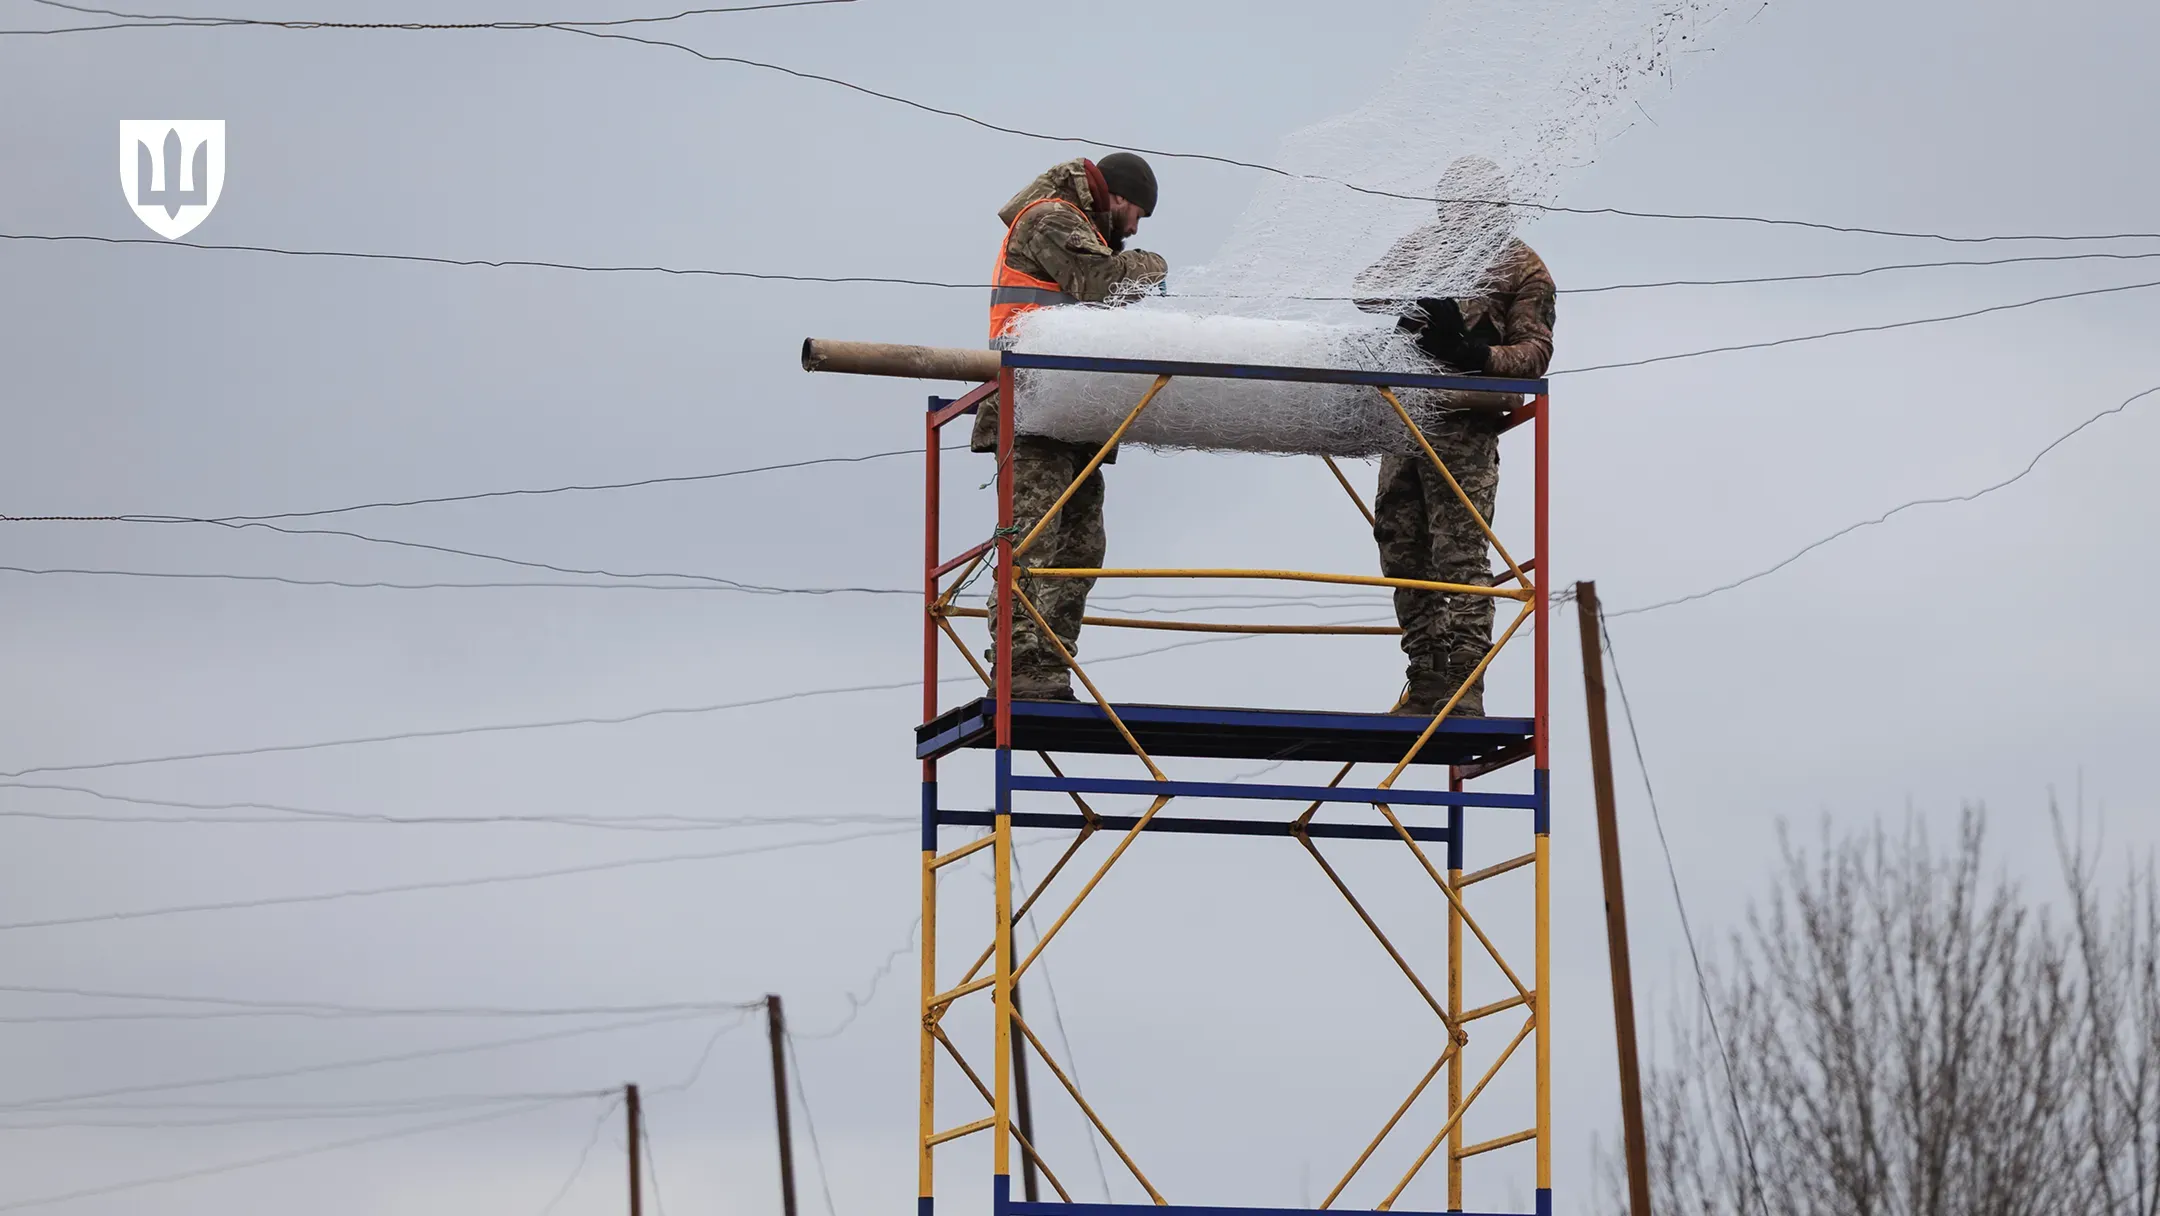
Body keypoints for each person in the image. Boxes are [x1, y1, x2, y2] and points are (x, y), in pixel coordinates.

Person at [1356, 156, 1555, 717]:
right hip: (1407, 422)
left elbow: (1535, 354)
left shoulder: (1523, 268)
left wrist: (1474, 353)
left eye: (1470, 208)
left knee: (1459, 553)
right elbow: (1366, 290)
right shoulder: (1428, 249)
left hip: (1464, 425)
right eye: (1453, 208)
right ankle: (1426, 677)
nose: (1459, 218)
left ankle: (1465, 686)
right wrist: (1415, 298)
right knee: (1401, 548)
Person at [972, 153, 1167, 700]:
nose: (1135, 229)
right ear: (1119, 198)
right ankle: (1019, 664)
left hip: (1072, 410)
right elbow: (1100, 283)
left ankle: (1050, 662)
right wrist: (1153, 265)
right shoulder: (1050, 219)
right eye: (1138, 215)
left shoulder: (1081, 229)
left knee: (1081, 546)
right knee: (1033, 540)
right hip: (1032, 405)